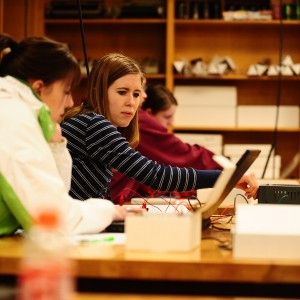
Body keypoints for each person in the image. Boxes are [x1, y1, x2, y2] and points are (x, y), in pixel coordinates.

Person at [61, 53, 258, 205]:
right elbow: (157, 176)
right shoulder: (93, 125)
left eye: (136, 94)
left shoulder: (93, 123)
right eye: (122, 92)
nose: (131, 102)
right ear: (98, 91)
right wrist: (226, 177)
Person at [0, 34, 130, 237]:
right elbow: (54, 219)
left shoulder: (17, 112)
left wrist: (55, 145)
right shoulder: (13, 117)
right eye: (66, 91)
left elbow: (54, 195)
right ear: (39, 88)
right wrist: (109, 210)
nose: (70, 103)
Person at [110, 84, 222, 201]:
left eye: (139, 91)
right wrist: (222, 173)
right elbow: (176, 160)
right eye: (123, 92)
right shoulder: (139, 120)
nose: (144, 94)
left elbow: (158, 175)